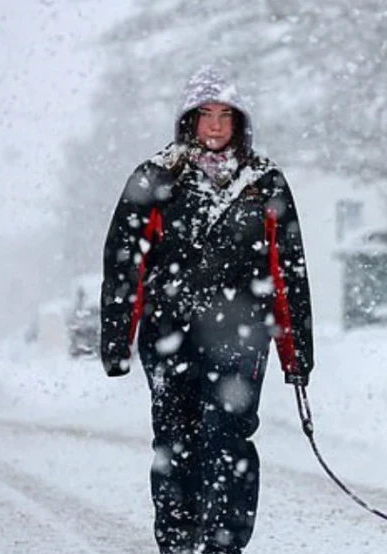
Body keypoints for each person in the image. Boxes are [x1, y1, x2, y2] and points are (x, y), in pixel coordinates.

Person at [99, 65, 314, 554]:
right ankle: (178, 541)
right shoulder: (155, 178)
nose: (215, 126)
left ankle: (223, 545)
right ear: (188, 120)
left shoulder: (265, 183)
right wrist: (116, 340)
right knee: (176, 441)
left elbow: (289, 274)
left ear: (240, 123)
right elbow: (123, 264)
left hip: (243, 338)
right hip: (168, 332)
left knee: (229, 440)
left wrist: (295, 351)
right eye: (205, 115)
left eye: (226, 116)